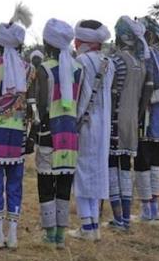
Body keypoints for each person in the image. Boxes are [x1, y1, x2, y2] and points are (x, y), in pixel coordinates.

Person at [0, 4, 33, 249]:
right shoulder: (29, 68)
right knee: (15, 183)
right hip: (18, 135)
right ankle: (12, 235)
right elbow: (32, 108)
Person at [35, 18, 82, 249]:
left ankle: (49, 233)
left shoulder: (44, 69)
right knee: (64, 182)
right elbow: (80, 103)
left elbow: (42, 106)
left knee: (46, 183)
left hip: (48, 132)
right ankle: (61, 236)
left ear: (47, 43)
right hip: (70, 134)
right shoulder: (78, 69)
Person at [68, 20, 114, 241]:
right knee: (97, 172)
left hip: (86, 123)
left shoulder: (81, 62)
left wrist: (73, 120)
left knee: (83, 172)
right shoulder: (109, 62)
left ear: (82, 41)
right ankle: (94, 225)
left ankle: (87, 226)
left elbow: (79, 96)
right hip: (104, 124)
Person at [106, 16, 151, 232]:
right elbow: (145, 96)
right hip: (133, 121)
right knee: (126, 168)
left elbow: (112, 94)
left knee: (112, 168)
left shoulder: (117, 61)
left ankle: (119, 220)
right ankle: (126, 219)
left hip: (116, 119)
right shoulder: (140, 63)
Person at [136, 16, 159, 223]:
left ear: (147, 35)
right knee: (155, 163)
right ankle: (153, 208)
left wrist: (139, 112)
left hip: (148, 114)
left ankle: (146, 209)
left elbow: (148, 86)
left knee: (143, 161)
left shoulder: (148, 56)